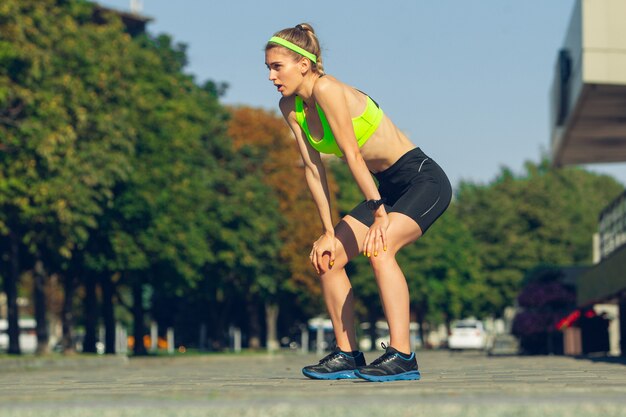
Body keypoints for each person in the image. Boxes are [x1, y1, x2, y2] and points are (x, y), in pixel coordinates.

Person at [265, 24, 452, 382]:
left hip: (421, 180)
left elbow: (352, 155)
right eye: (268, 68)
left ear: (304, 64)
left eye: (278, 67)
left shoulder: (328, 89)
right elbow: (312, 168)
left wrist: (380, 214)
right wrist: (326, 232)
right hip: (383, 188)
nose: (272, 76)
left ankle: (402, 355)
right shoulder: (290, 106)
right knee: (328, 257)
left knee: (380, 249)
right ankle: (347, 353)